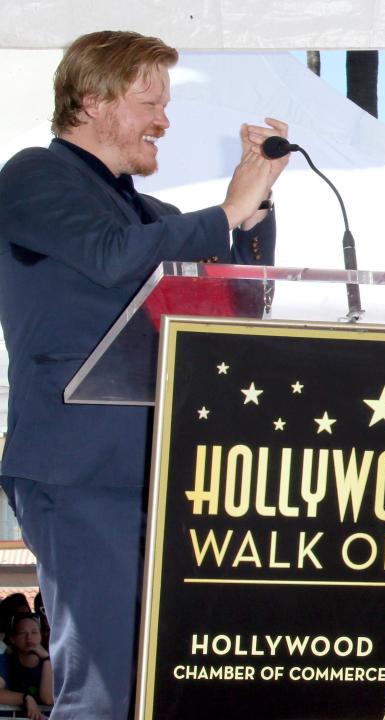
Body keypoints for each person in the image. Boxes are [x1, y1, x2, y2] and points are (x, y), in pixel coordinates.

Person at [0, 30, 289, 719]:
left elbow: (237, 303)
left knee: (164, 688)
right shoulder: (33, 176)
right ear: (93, 100)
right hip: (81, 469)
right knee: (103, 687)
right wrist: (223, 211)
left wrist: (254, 210)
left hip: (170, 474)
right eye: (149, 101)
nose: (164, 119)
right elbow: (109, 257)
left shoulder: (155, 216)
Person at [1, 613, 53, 720]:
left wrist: (46, 660)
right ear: (12, 638)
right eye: (22, 633)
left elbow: (47, 699)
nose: (29, 638)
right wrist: (25, 698)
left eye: (34, 632)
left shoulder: (53, 661)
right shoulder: (5, 660)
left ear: (41, 636)